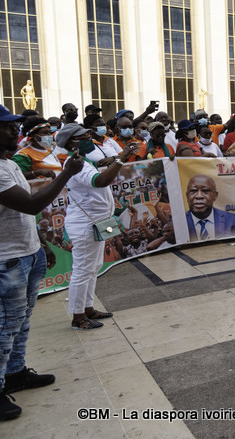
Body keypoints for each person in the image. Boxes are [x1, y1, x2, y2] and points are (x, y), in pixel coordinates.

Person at [0, 105, 85, 420]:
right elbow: (32, 203)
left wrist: (41, 243)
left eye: (14, 126)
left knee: (21, 322)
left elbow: (20, 214)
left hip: (27, 251)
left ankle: (15, 372)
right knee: (5, 326)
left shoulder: (7, 164)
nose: (14, 131)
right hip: (6, 260)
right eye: (6, 126)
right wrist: (66, 174)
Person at [56, 123, 140, 330]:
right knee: (82, 270)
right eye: (84, 137)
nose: (89, 139)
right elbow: (101, 181)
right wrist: (122, 157)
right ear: (72, 142)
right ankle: (78, 317)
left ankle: (88, 308)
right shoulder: (75, 164)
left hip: (97, 222)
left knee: (93, 268)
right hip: (85, 225)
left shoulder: (84, 161)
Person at [184, 175, 235, 241]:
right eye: (193, 191)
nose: (199, 196)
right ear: (187, 196)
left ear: (215, 196)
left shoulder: (234, 221)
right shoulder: (177, 223)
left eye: (205, 191)